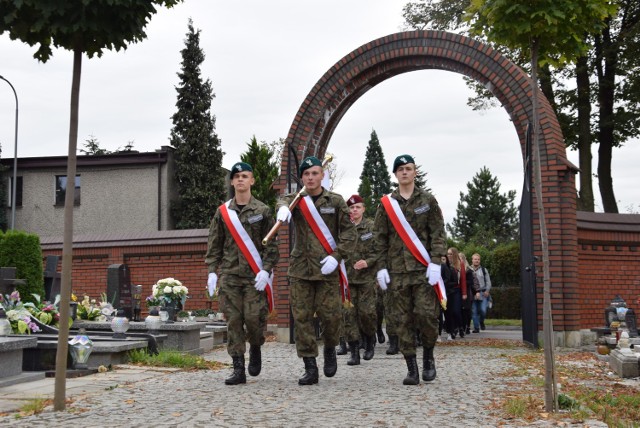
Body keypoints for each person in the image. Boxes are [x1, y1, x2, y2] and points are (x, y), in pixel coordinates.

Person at [276, 156, 356, 385]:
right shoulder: (296, 200)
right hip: (301, 270)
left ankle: (330, 347)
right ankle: (310, 366)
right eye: (306, 174)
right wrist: (282, 210)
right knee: (301, 320)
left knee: (331, 317)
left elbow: (350, 234)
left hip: (327, 270)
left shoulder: (337, 201)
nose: (310, 178)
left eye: (314, 173)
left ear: (322, 175)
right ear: (302, 178)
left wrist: (336, 256)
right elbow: (282, 201)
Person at [373, 154, 447, 385]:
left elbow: (438, 233)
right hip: (397, 273)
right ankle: (411, 368)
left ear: (415, 172)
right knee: (401, 320)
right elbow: (379, 238)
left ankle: (428, 357)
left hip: (424, 271)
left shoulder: (428, 200)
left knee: (427, 315)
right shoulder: (386, 205)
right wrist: (380, 268)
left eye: (408, 168)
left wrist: (436, 262)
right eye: (400, 169)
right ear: (395, 174)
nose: (404, 172)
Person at [204, 161, 280, 385]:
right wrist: (212, 272)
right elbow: (214, 244)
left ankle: (256, 345)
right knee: (234, 321)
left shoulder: (263, 210)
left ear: (252, 181)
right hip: (230, 276)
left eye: (245, 176)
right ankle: (238, 367)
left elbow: (272, 247)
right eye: (236, 176)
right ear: (231, 181)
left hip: (254, 277)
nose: (240, 180)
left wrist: (266, 271)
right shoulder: (222, 213)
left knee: (254, 320)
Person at [342, 194, 378, 365]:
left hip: (366, 279)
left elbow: (379, 250)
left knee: (367, 313)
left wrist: (368, 262)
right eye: (351, 207)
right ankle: (354, 351)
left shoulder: (371, 227)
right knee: (349, 316)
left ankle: (370, 340)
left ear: (363, 209)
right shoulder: (343, 227)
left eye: (357, 207)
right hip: (348, 279)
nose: (354, 210)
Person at [444, 247, 467, 339]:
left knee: (456, 311)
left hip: (456, 290)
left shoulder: (459, 264)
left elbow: (463, 279)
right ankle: (452, 330)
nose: (449, 256)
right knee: (449, 312)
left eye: (451, 254)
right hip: (448, 291)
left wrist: (464, 292)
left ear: (455, 254)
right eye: (448, 254)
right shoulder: (445, 264)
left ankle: (460, 327)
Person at [471, 253, 492, 333]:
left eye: (478, 259)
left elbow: (488, 282)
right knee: (474, 311)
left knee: (483, 310)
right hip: (473, 293)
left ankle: (481, 321)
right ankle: (476, 328)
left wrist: (487, 290)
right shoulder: (468, 269)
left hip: (483, 293)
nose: (477, 261)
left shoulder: (484, 270)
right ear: (472, 260)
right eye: (475, 259)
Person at [459, 252, 474, 335]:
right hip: (459, 292)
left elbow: (471, 282)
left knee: (467, 311)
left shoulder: (468, 270)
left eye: (461, 258)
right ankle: (461, 326)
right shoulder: (456, 269)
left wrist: (462, 282)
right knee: (460, 311)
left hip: (467, 293)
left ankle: (467, 326)